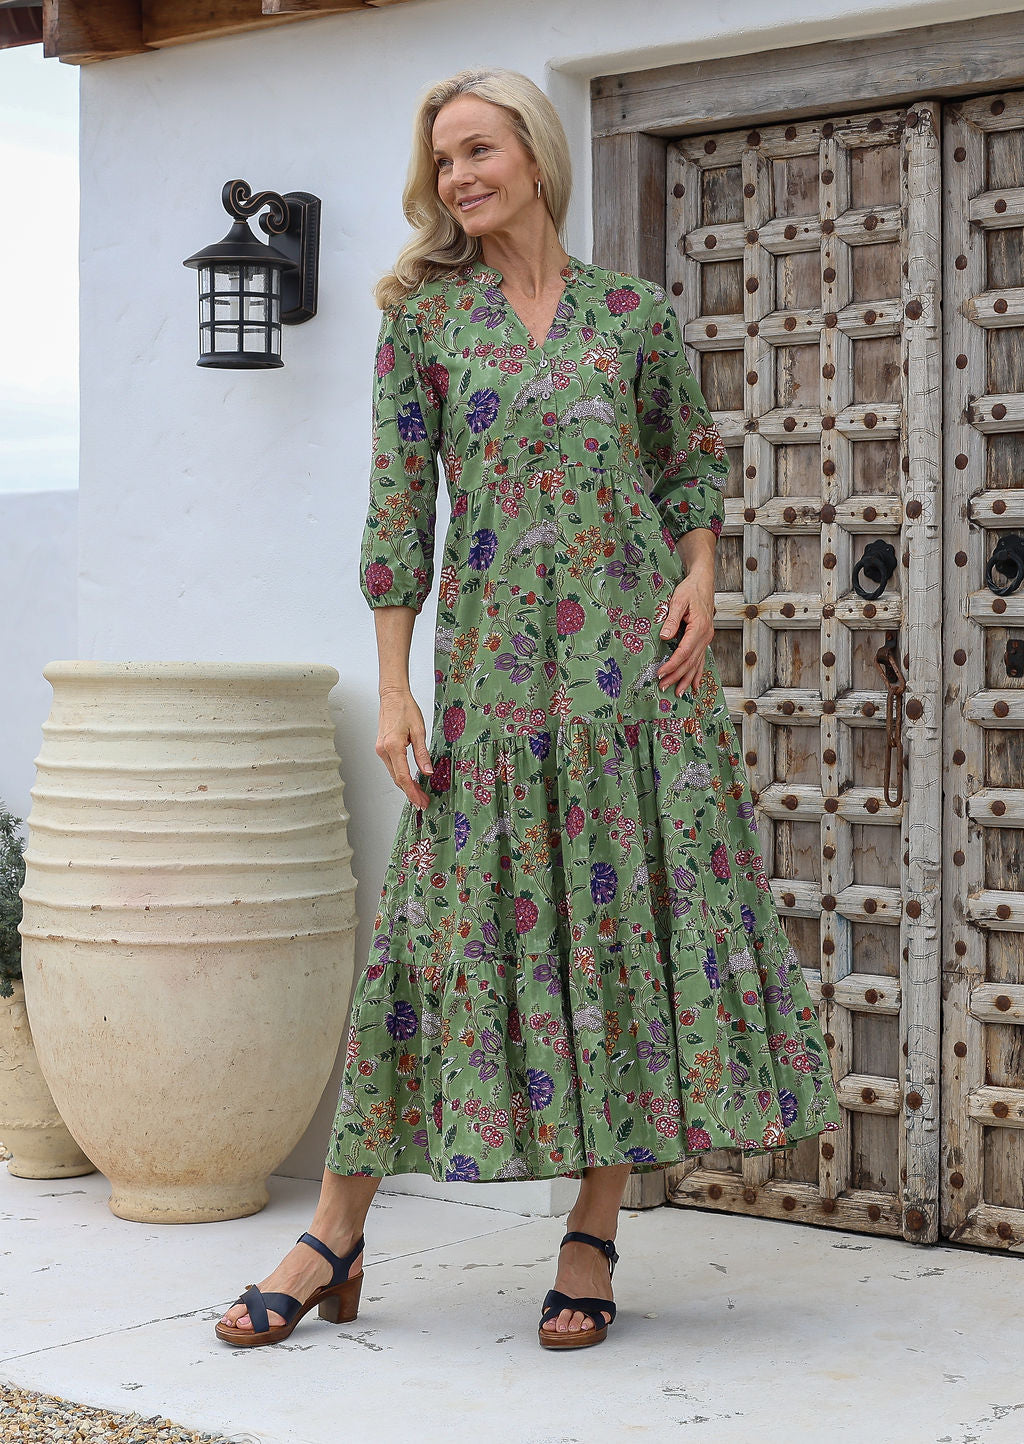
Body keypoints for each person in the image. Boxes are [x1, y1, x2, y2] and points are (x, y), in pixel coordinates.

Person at [216, 65, 842, 1354]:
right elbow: (400, 517)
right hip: (494, 694)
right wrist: (394, 687)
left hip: (633, 695)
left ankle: (591, 1234)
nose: (457, 177)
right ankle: (335, 1227)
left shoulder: (633, 317)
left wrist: (705, 582)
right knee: (427, 950)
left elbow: (686, 468)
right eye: (443, 159)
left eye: (477, 149)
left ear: (538, 159)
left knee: (618, 955)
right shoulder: (425, 322)